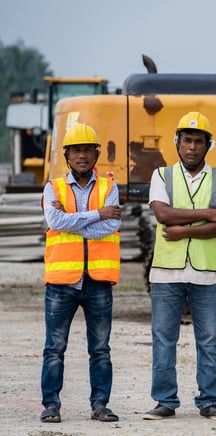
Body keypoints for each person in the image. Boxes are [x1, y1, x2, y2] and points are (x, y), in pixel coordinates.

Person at [142, 112, 216, 421]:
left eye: (198, 141)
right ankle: (165, 401)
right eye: (187, 140)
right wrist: (209, 214)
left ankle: (208, 401)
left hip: (207, 273)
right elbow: (163, 215)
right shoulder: (161, 176)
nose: (192, 147)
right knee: (164, 339)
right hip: (167, 272)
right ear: (177, 143)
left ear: (208, 144)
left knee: (208, 341)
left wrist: (185, 230)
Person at [39, 123, 122, 424]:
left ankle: (100, 405)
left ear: (97, 154)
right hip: (62, 283)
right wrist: (97, 214)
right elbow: (56, 222)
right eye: (76, 150)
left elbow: (111, 227)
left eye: (88, 149)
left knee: (100, 349)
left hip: (98, 281)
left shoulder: (108, 187)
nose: (82, 155)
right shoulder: (53, 187)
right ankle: (51, 405)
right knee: (54, 348)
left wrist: (74, 219)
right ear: (67, 155)